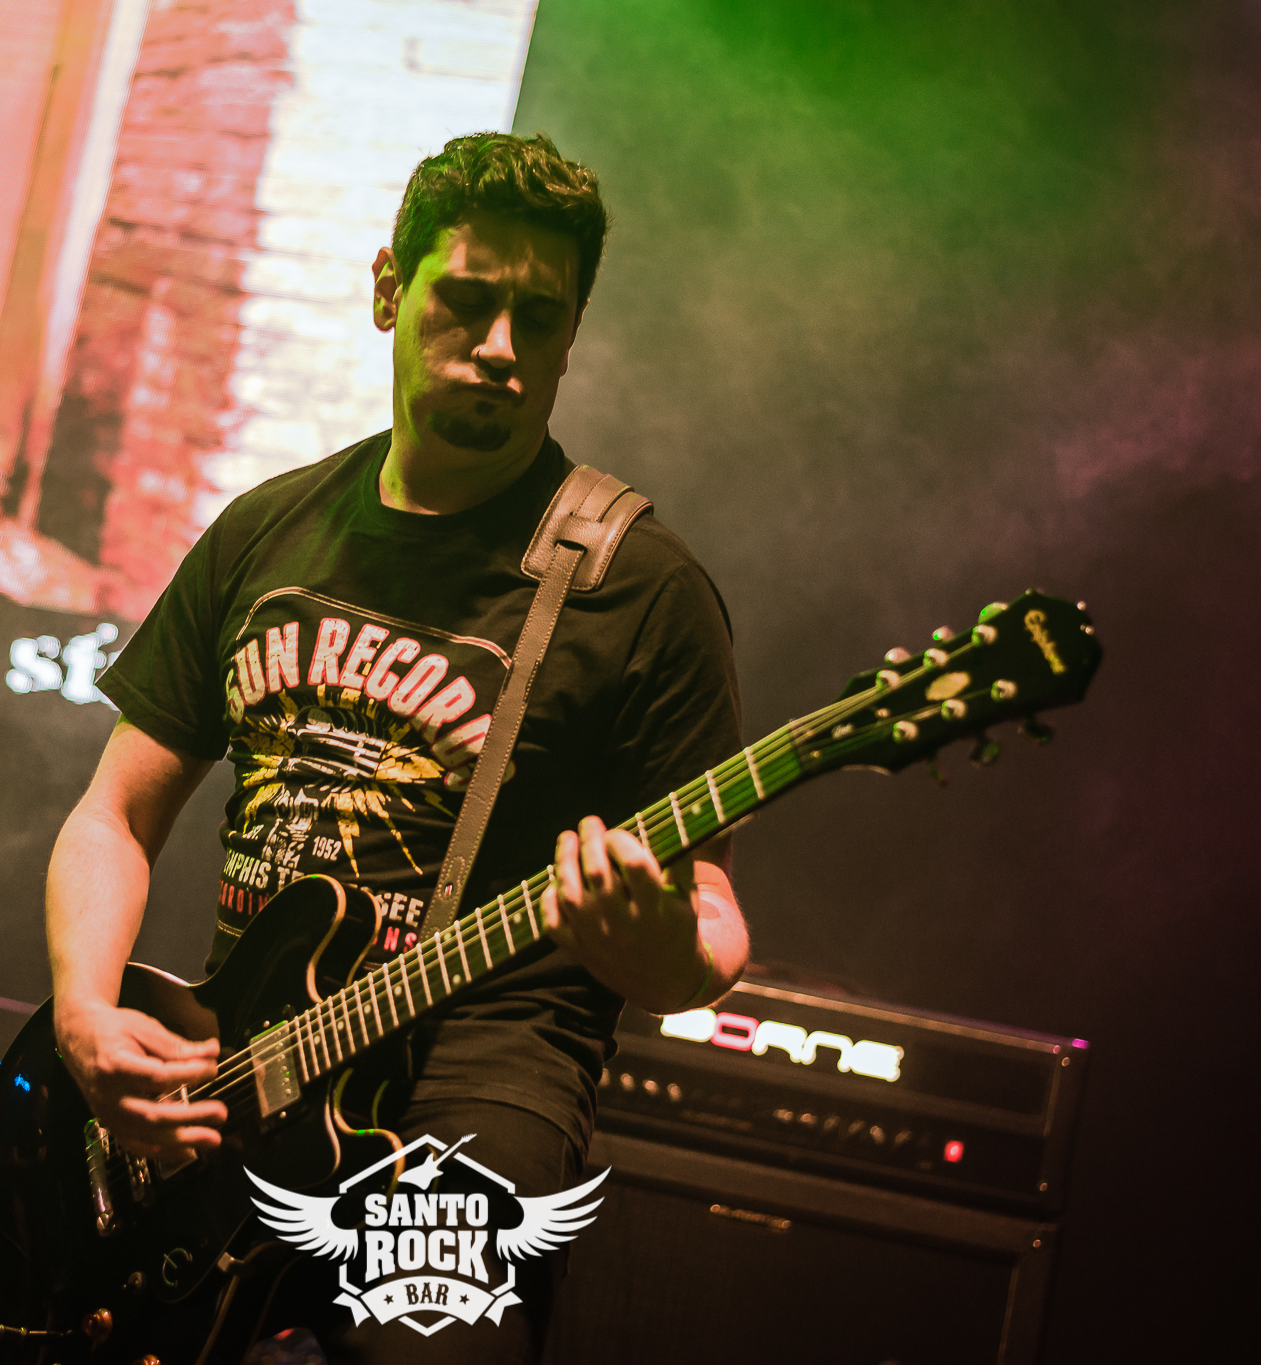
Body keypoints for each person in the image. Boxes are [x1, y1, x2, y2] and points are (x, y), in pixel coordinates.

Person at [52, 132, 751, 1362]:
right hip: (253, 1062)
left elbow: (713, 927)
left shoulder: (638, 590)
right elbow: (113, 814)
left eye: (538, 317)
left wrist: (659, 951)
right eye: (466, 300)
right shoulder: (263, 531)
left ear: (571, 335)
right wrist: (82, 1012)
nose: (499, 346)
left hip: (481, 1082)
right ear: (390, 290)